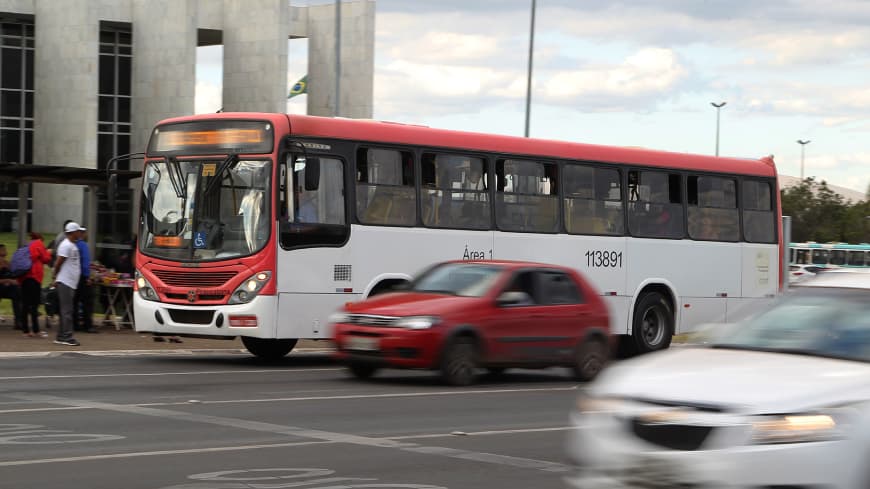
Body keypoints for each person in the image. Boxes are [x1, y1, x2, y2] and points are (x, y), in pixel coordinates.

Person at [52, 222, 84, 346]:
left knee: (66, 310)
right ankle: (66, 336)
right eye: (78, 231)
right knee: (67, 311)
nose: (80, 233)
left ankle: (61, 336)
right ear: (72, 232)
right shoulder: (66, 245)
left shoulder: (72, 245)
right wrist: (55, 276)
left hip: (69, 282)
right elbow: (59, 262)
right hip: (65, 282)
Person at [18, 232, 52, 338]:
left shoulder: (28, 245)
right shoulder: (38, 244)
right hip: (34, 278)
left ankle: (25, 330)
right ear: (40, 238)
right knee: (34, 305)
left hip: (24, 278)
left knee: (25, 304)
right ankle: (36, 330)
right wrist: (49, 252)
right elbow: (46, 259)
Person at [74, 229, 97, 333]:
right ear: (82, 234)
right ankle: (88, 325)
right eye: (86, 233)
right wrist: (88, 277)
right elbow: (85, 262)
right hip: (82, 277)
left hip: (74, 277)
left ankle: (75, 324)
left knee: (75, 301)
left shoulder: (74, 245)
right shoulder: (83, 245)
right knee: (87, 301)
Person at [0, 244, 25, 333]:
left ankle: (18, 320)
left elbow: (13, 275)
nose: (5, 251)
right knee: (16, 290)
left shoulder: (7, 263)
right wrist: (8, 280)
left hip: (7, 288)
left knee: (17, 292)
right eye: (3, 249)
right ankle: (19, 320)